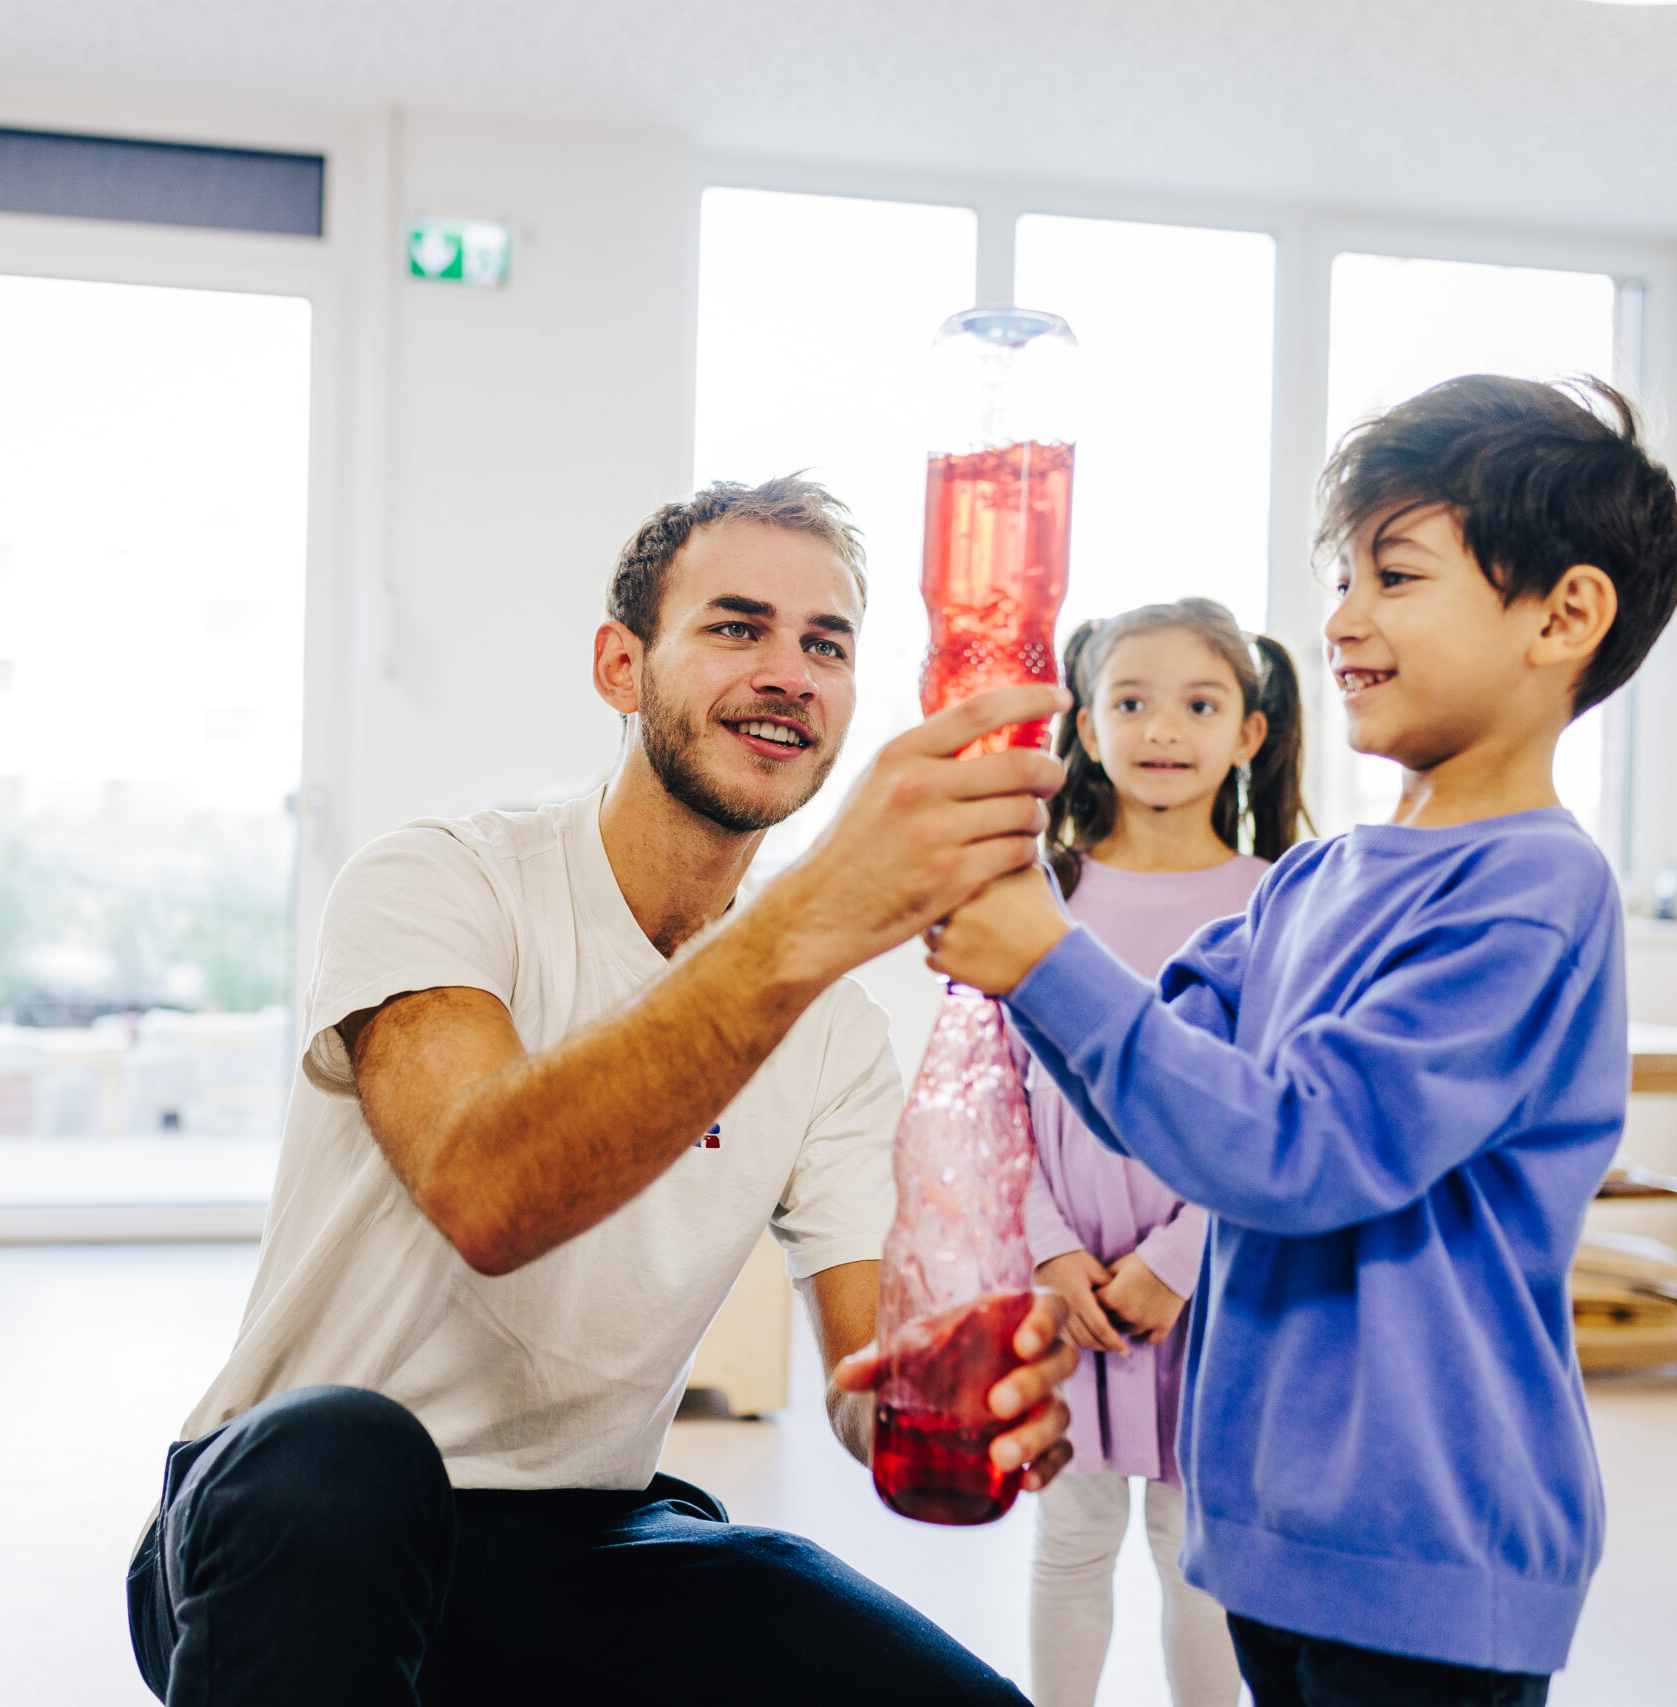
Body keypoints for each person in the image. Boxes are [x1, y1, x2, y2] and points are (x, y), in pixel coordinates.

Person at [127, 474, 1080, 1707]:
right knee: (342, 1452)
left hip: (578, 1545)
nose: (789, 673)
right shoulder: (440, 883)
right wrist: (813, 916)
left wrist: (954, 1405)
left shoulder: (836, 1033)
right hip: (286, 1530)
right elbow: (488, 1195)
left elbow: (871, 1384)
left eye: (826, 645)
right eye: (737, 627)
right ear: (619, 668)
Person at [929, 375, 1677, 1707]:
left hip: (1424, 1550)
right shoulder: (1306, 883)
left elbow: (1294, 1149)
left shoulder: (1529, 891)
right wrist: (1017, 924)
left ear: (1563, 616)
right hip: (1268, 1527)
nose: (1341, 619)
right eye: (1341, 578)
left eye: (1395, 575)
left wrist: (1043, 955)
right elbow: (1152, 1096)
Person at [1021, 599, 1306, 1707]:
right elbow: (993, 1092)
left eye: (1198, 703)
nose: (1163, 729)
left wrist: (1178, 1262)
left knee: (1196, 1552)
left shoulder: (1278, 901)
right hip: (1067, 1290)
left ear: (1249, 732)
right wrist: (1050, 1254)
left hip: (1214, 1289)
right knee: (1070, 1536)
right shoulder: (1043, 890)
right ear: (1088, 728)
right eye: (1131, 702)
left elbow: (1284, 1109)